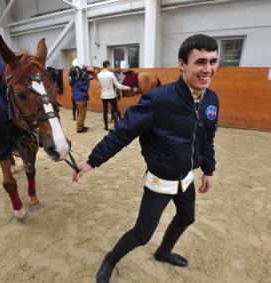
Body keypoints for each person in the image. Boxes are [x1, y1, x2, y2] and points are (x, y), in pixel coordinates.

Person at [72, 34, 220, 283]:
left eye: (213, 61)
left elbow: (207, 138)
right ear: (182, 64)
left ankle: (163, 252)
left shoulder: (212, 99)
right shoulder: (158, 99)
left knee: (187, 217)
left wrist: (208, 169)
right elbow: (122, 133)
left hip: (186, 177)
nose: (208, 69)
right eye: (200, 62)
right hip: (161, 179)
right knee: (142, 234)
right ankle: (110, 260)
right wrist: (91, 162)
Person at [97, 60, 131, 131]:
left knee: (105, 111)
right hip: (112, 95)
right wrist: (127, 87)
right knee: (115, 110)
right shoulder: (111, 74)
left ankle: (106, 127)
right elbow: (118, 85)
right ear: (108, 66)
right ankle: (116, 125)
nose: (111, 67)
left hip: (104, 95)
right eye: (110, 66)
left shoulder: (99, 75)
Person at [69, 59, 90, 133]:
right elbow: (85, 88)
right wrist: (88, 80)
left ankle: (82, 126)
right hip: (80, 98)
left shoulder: (73, 81)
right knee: (81, 114)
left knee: (83, 113)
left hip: (78, 98)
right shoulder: (78, 81)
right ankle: (79, 128)